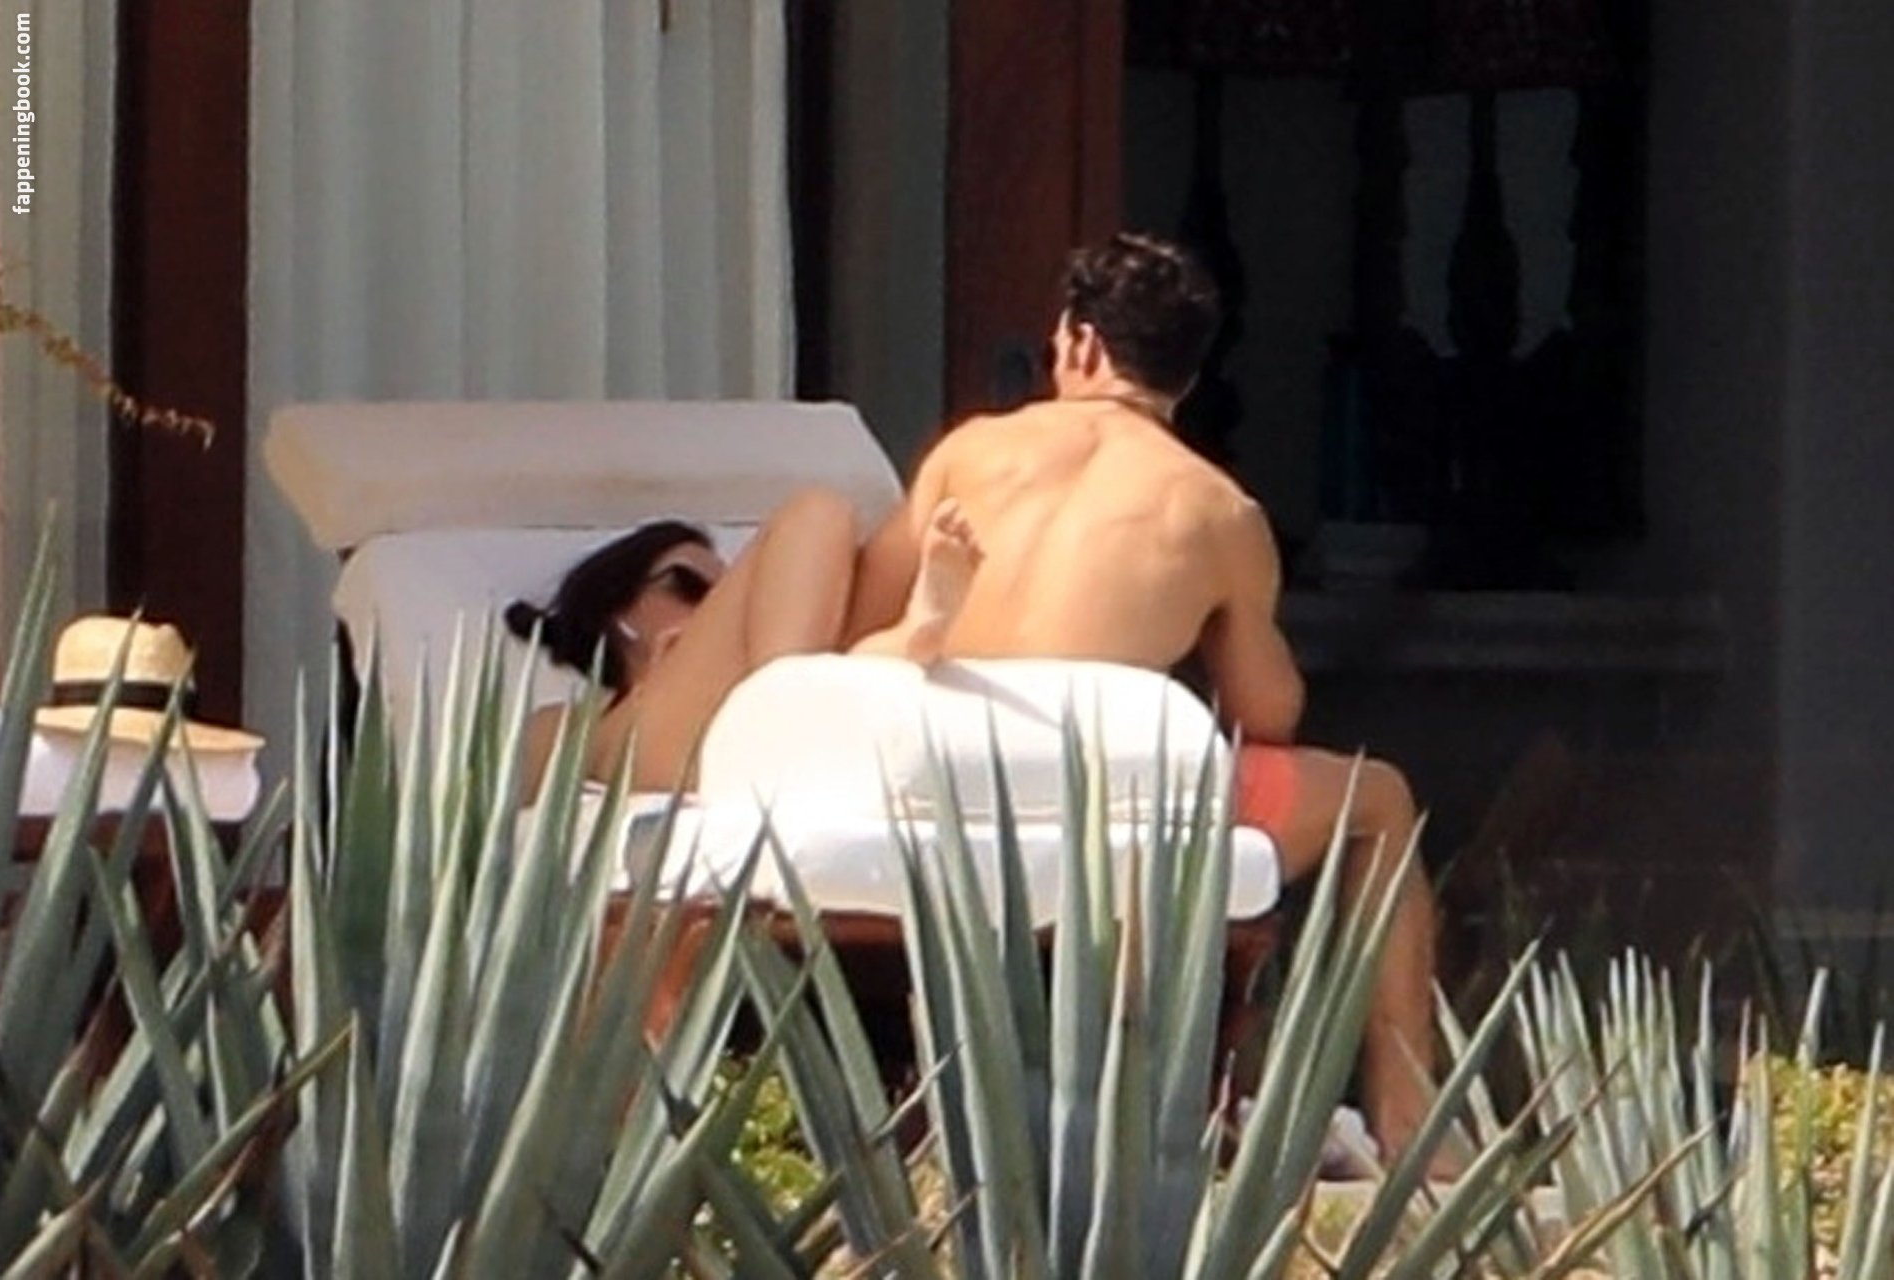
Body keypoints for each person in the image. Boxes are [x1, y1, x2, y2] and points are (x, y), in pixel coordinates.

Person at [841, 231, 1439, 1162]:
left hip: (939, 789)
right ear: (1187, 375)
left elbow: (859, 629)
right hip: (1115, 816)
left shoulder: (969, 453)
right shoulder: (1218, 510)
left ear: (1079, 343)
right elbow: (1266, 714)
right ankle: (1409, 1118)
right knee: (1379, 799)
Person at [508, 498, 982, 799]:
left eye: (727, 592)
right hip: (654, 754)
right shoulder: (574, 721)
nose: (715, 607)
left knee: (913, 523)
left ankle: (907, 636)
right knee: (816, 511)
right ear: (616, 608)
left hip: (768, 712)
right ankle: (795, 697)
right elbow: (520, 795)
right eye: (690, 587)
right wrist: (656, 679)